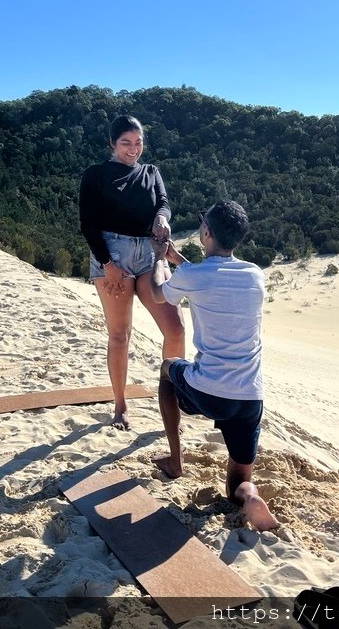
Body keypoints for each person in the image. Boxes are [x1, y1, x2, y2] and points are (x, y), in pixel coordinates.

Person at [149, 200, 279, 532]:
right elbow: (214, 278)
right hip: (250, 398)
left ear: (205, 232)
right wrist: (177, 259)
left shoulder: (195, 276)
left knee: (167, 368)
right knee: (235, 485)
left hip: (208, 389)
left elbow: (158, 292)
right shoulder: (254, 274)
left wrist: (157, 257)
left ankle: (175, 461)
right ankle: (250, 496)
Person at [79, 116, 185, 430]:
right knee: (119, 335)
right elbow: (88, 223)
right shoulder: (96, 174)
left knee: (176, 330)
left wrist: (162, 219)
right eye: (126, 142)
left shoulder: (152, 172)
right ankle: (121, 406)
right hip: (112, 254)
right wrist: (108, 265)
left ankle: (172, 400)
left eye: (138, 143)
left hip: (151, 254)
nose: (133, 149)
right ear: (112, 143)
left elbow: (163, 203)